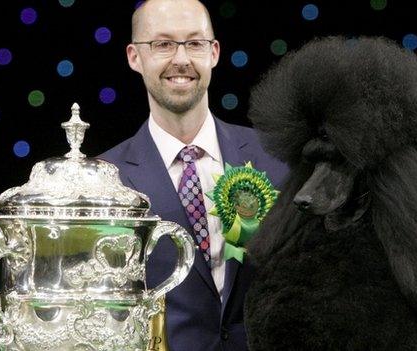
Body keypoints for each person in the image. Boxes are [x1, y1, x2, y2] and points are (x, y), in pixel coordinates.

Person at [98, 0, 288, 350]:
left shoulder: (275, 158)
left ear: (214, 52)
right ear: (134, 57)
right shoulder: (104, 181)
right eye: (163, 44)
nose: (181, 59)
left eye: (194, 43)